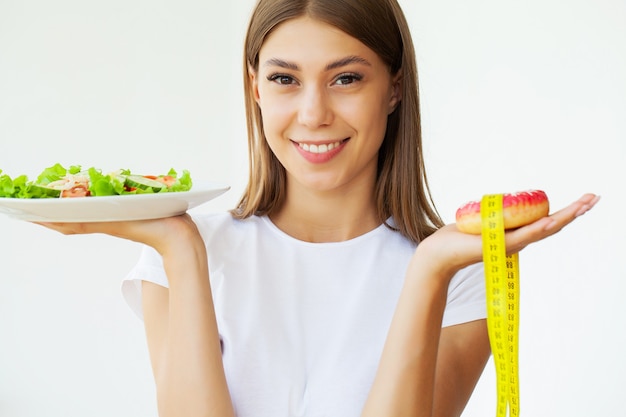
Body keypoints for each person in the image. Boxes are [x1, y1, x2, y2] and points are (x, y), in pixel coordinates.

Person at [40, 0, 599, 416]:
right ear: (255, 88)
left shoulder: (459, 274)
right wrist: (182, 248)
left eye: (346, 79)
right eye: (285, 79)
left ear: (394, 89)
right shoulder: (187, 255)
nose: (313, 114)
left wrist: (427, 269)